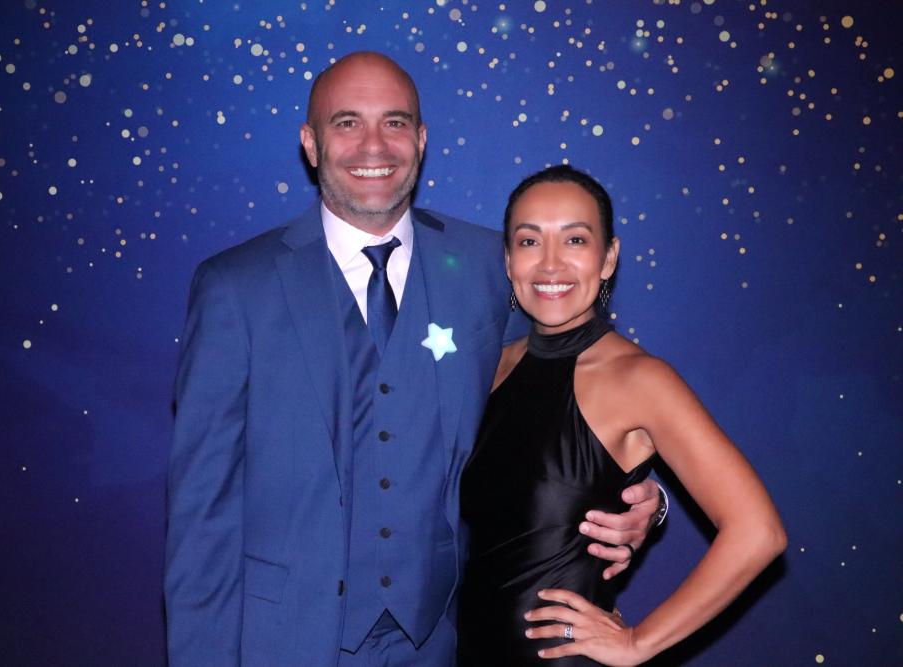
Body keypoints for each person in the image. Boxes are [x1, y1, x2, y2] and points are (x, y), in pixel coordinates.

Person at [164, 52, 663, 667]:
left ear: (421, 140)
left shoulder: (495, 266)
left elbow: (559, 403)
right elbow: (202, 512)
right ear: (311, 144)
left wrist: (637, 495)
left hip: (445, 640)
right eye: (347, 122)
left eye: (395, 122)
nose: (374, 145)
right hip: (282, 640)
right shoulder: (235, 287)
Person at [457, 165, 787, 666]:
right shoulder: (492, 366)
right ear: (508, 260)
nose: (550, 263)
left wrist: (638, 642)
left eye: (575, 240)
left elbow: (758, 531)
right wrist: (652, 506)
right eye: (529, 241)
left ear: (608, 257)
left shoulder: (639, 379)